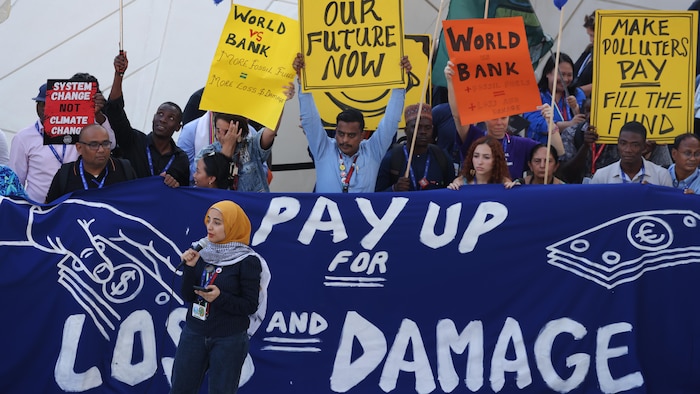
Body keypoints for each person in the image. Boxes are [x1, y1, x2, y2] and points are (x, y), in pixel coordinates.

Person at [171, 200, 265, 394]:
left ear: (232, 226)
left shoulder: (248, 260)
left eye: (217, 222)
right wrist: (189, 269)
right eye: (208, 220)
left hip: (228, 339)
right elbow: (188, 295)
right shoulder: (202, 252)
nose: (210, 227)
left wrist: (220, 298)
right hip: (194, 332)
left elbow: (250, 305)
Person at [293, 52, 412, 193]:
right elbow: (309, 119)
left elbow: (391, 121)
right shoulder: (323, 149)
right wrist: (302, 79)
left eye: (351, 135)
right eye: (341, 133)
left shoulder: (373, 151)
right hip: (326, 215)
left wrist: (401, 81)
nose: (344, 140)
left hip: (360, 216)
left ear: (362, 135)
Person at [9, 76, 117, 202]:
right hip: (40, 210)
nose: (44, 108)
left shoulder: (82, 129)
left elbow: (111, 143)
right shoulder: (23, 138)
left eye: (49, 104)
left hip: (75, 205)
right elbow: (15, 181)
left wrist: (97, 115)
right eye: (41, 103)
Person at [444, 61, 544, 181]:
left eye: (503, 118)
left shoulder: (521, 144)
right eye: (494, 118)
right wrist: (450, 81)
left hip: (508, 198)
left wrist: (550, 123)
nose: (499, 123)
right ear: (485, 117)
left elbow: (556, 154)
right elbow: (457, 116)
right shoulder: (474, 136)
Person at [105, 51, 190, 187]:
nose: (163, 119)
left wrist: (176, 185)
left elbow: (185, 191)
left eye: (171, 118)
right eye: (160, 114)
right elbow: (115, 111)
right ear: (153, 117)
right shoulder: (134, 141)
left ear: (178, 127)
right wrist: (118, 75)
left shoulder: (181, 159)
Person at [45, 124, 136, 203]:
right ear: (79, 148)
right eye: (94, 145)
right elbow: (50, 211)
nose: (101, 150)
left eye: (105, 143)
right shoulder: (65, 174)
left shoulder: (124, 169)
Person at [375, 103, 455, 191]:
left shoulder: (442, 157)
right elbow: (377, 195)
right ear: (406, 130)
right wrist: (394, 189)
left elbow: (452, 192)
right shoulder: (391, 158)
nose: (423, 132)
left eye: (427, 127)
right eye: (417, 127)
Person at [523, 54, 586, 144]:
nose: (565, 79)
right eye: (561, 74)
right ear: (548, 73)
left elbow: (584, 120)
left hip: (573, 151)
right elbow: (541, 126)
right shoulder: (533, 96)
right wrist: (570, 125)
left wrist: (576, 108)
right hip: (543, 151)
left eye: (569, 75)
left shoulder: (577, 93)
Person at [590, 121, 673, 186]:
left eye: (635, 145)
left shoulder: (661, 176)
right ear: (618, 144)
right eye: (623, 143)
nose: (628, 149)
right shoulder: (601, 176)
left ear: (644, 147)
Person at [447, 136, 511, 189]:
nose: (480, 162)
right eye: (476, 156)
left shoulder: (505, 183)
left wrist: (515, 189)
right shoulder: (460, 182)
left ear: (496, 160)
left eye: (486, 157)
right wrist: (451, 191)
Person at [571, 11, 596, 97]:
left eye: (593, 35)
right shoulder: (589, 50)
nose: (591, 39)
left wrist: (576, 92)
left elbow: (603, 84)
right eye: (589, 35)